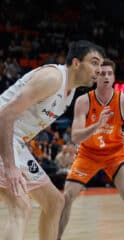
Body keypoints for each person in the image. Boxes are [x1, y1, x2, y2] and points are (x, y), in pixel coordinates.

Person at [0, 40, 105, 240]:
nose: (99, 70)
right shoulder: (52, 78)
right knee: (20, 207)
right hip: (3, 132)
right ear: (76, 63)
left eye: (101, 65)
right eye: (94, 63)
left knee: (55, 202)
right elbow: (5, 115)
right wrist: (11, 167)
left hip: (16, 141)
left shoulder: (69, 92)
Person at [57, 58, 124, 240]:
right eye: (101, 73)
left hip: (114, 155)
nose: (105, 76)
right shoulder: (83, 101)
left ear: (114, 77)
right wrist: (97, 124)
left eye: (109, 73)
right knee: (67, 197)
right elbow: (75, 137)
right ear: (95, 77)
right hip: (88, 154)